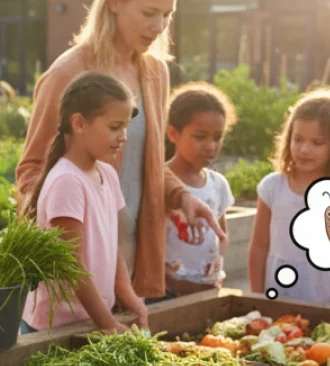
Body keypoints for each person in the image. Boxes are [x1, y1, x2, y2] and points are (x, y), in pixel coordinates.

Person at [16, 0, 225, 301]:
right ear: (114, 4)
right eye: (149, 13)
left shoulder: (156, 72)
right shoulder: (68, 72)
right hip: (80, 267)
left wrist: (182, 197)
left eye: (167, 15)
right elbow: (32, 170)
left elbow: (149, 164)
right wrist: (68, 240)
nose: (159, 26)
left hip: (136, 260)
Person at [21, 72, 149, 334]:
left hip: (90, 321)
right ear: (79, 123)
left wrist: (130, 298)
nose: (124, 136)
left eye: (125, 126)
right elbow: (72, 265)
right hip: (56, 329)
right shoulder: (67, 182)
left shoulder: (107, 174)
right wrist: (109, 324)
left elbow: (111, 246)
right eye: (115, 127)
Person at [248, 87, 330, 305]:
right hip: (275, 297)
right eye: (298, 139)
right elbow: (259, 247)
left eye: (317, 143)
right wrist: (256, 298)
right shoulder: (272, 187)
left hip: (323, 300)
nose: (304, 150)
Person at [163, 82, 237, 294]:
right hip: (165, 293)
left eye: (217, 138)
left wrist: (215, 265)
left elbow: (220, 236)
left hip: (206, 289)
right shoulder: (161, 182)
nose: (210, 146)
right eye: (200, 137)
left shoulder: (218, 184)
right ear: (173, 133)